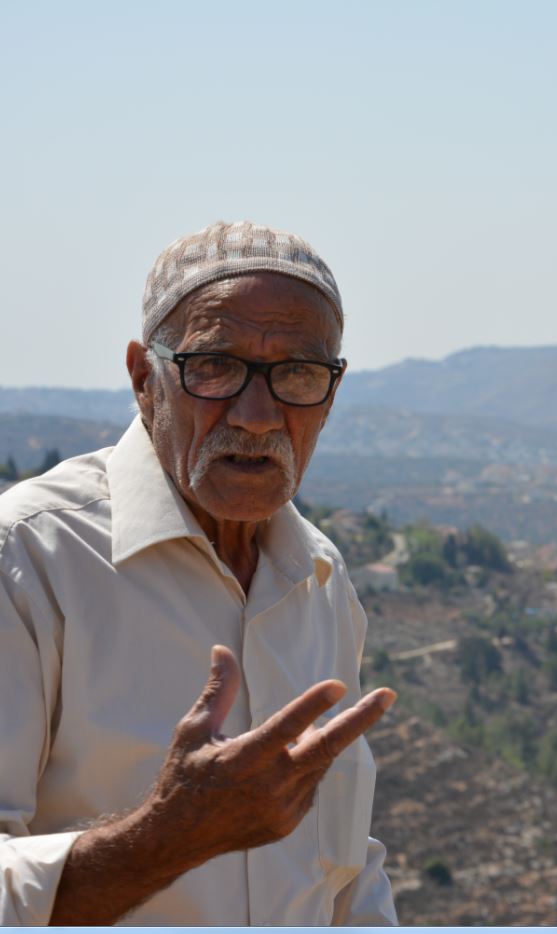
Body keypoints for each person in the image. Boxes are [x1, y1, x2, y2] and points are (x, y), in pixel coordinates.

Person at [0, 221, 398, 925]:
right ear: (142, 379)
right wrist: (165, 839)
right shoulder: (29, 558)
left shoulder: (321, 578)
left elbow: (341, 874)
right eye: (214, 366)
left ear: (330, 395)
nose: (254, 415)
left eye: (297, 374)